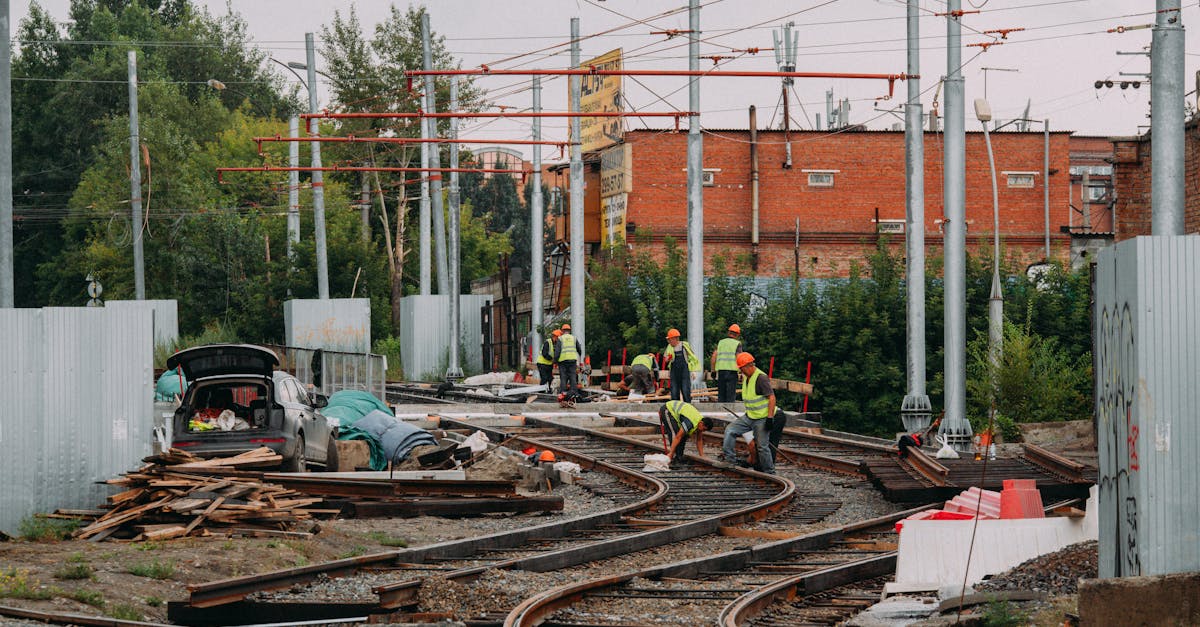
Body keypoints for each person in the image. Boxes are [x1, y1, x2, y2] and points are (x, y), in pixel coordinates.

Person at [722, 352, 777, 474]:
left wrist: (769, 418)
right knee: (730, 430)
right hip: (749, 416)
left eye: (741, 369)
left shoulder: (761, 378)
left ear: (749, 365)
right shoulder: (747, 377)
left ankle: (770, 472)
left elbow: (772, 398)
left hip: (762, 418)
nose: (741, 371)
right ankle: (730, 460)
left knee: (762, 446)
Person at [659, 400, 714, 464]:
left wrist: (702, 455)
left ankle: (678, 457)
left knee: (684, 435)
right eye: (703, 429)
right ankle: (671, 456)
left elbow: (699, 440)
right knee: (675, 433)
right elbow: (678, 437)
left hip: (676, 413)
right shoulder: (690, 422)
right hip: (668, 409)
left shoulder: (699, 422)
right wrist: (671, 453)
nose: (703, 431)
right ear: (701, 423)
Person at [662, 328, 701, 403]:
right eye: (668, 340)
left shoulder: (684, 345)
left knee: (685, 389)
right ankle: (675, 406)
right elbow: (666, 359)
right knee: (674, 390)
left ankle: (687, 406)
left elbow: (692, 358)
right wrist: (667, 359)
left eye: (670, 339)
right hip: (674, 372)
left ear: (675, 338)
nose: (669, 341)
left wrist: (693, 371)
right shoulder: (669, 347)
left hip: (684, 371)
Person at [710, 324, 744, 403]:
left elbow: (714, 357)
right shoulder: (737, 343)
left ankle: (721, 410)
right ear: (738, 334)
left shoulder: (721, 342)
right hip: (732, 373)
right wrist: (741, 372)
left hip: (721, 372)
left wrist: (713, 371)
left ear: (728, 333)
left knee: (721, 396)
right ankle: (729, 411)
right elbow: (739, 358)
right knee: (730, 397)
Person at [555, 324, 583, 395]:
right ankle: (574, 392)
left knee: (563, 377)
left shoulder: (560, 339)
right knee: (572, 376)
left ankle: (563, 392)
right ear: (569, 330)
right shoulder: (574, 338)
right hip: (572, 360)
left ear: (562, 331)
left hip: (563, 361)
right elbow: (579, 349)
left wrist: (555, 361)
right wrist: (579, 355)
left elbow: (557, 351)